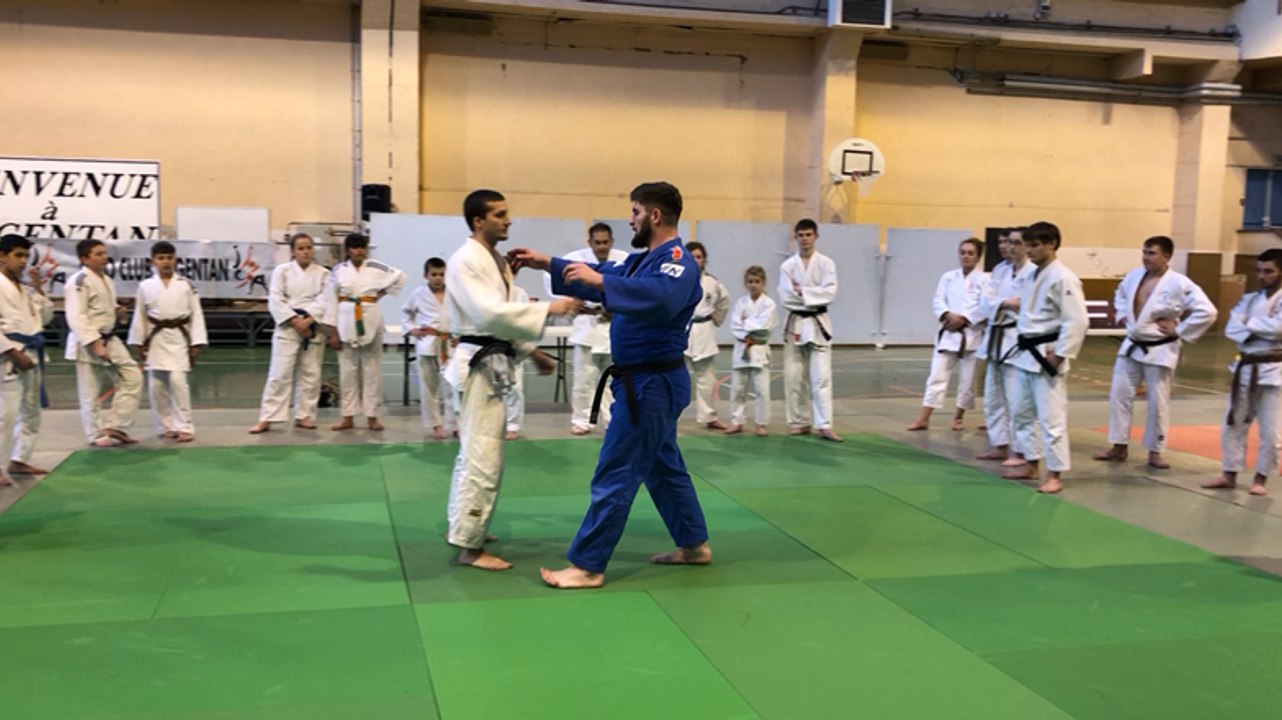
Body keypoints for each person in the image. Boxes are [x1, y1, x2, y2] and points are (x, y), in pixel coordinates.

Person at [510, 181, 711, 590]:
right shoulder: (645, 261)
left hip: (652, 384)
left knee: (616, 472)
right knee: (664, 469)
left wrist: (603, 285)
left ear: (654, 216)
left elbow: (659, 297)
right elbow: (604, 274)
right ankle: (694, 545)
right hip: (644, 382)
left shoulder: (677, 262)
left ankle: (588, 565)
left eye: (636, 211)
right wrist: (544, 262)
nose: (630, 218)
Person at [444, 189, 576, 571]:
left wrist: (532, 352)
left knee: (476, 451)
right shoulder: (465, 260)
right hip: (479, 365)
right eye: (500, 215)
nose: (508, 220)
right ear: (478, 221)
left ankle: (466, 528)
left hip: (492, 361)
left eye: (507, 213)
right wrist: (551, 308)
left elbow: (502, 311)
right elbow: (488, 315)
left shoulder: (492, 260)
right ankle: (470, 546)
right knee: (482, 454)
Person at [1093, 236, 1216, 469]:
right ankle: (1118, 446)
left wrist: (1180, 329)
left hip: (1160, 349)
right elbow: (1120, 294)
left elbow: (1208, 311)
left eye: (1152, 253)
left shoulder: (1180, 283)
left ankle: (1155, 450)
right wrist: (1122, 315)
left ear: (1167, 256)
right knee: (1119, 396)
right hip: (1132, 344)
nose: (1146, 257)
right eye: (1144, 252)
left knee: (1158, 403)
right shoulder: (1134, 277)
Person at [1001, 221, 1089, 494]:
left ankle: (1055, 475)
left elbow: (1078, 320)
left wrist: (1061, 354)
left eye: (1035, 245)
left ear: (1052, 243)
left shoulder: (1063, 277)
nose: (1030, 250)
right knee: (1021, 413)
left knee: (1051, 419)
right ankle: (1030, 464)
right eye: (1028, 245)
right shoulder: (1032, 275)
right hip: (1025, 354)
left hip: (1046, 356)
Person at [1203, 248, 1282, 497]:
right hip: (1246, 366)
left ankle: (1261, 477)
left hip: (1275, 370)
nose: (1262, 276)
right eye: (1259, 271)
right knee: (1233, 422)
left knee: (1270, 430)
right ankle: (1229, 473)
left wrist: (1248, 324)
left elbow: (1279, 328)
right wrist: (1257, 328)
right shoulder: (1249, 299)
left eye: (1268, 271)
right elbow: (1231, 328)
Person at [546, 223, 629, 436]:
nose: (601, 247)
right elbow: (552, 278)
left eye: (605, 242)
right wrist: (570, 300)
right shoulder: (576, 258)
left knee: (612, 378)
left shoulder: (623, 259)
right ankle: (581, 420)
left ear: (611, 241)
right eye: (597, 242)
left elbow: (629, 289)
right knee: (584, 378)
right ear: (590, 242)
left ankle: (611, 419)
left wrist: (617, 307)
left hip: (613, 326)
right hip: (586, 325)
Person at [64, 239, 144, 448]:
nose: (104, 257)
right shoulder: (79, 281)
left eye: (104, 253)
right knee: (90, 390)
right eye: (98, 254)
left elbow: (102, 308)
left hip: (110, 337)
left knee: (133, 376)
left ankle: (116, 425)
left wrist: (118, 311)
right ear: (84, 258)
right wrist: (94, 343)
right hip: (88, 341)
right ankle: (95, 433)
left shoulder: (107, 280)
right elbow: (76, 317)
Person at [127, 241, 209, 443]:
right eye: (161, 258)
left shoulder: (186, 285)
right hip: (155, 338)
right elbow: (140, 315)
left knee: (178, 382)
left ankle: (185, 426)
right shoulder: (145, 286)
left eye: (169, 258)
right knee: (157, 385)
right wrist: (139, 341)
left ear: (175, 260)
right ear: (153, 261)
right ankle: (165, 425)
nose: (165, 262)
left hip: (180, 337)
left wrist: (196, 342)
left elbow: (196, 314)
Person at [249, 233, 330, 434]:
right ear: (293, 251)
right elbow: (275, 298)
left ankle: (305, 415)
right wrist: (295, 321)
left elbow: (326, 299)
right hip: (288, 326)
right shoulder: (282, 271)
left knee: (311, 374)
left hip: (312, 328)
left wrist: (309, 319)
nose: (305, 251)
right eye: (301, 248)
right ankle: (267, 417)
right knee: (279, 374)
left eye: (309, 247)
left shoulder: (323, 274)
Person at [324, 233, 406, 432]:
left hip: (370, 316)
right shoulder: (338, 270)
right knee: (347, 372)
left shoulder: (375, 267)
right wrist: (332, 332)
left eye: (362, 247)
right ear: (348, 250)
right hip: (345, 319)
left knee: (372, 370)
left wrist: (379, 294)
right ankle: (347, 416)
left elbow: (400, 277)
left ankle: (372, 416)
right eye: (355, 247)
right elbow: (331, 300)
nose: (359, 250)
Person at [908, 238, 989, 432]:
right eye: (963, 252)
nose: (966, 256)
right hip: (948, 333)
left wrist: (966, 318)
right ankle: (924, 418)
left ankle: (958, 417)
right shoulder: (948, 277)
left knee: (967, 382)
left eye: (970, 253)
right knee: (936, 377)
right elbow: (938, 300)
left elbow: (986, 306)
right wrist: (948, 315)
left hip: (972, 334)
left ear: (978, 256)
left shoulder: (985, 280)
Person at [976, 228, 1039, 463]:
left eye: (1016, 243)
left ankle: (1021, 450)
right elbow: (985, 302)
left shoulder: (1034, 273)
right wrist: (1005, 303)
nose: (1010, 247)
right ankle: (999, 445)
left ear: (1027, 246)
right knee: (993, 398)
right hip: (995, 339)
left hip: (1017, 341)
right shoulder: (1000, 270)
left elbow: (1025, 306)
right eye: (1007, 242)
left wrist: (1000, 304)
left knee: (1018, 400)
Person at [778, 219, 841, 442]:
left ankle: (824, 424)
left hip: (818, 324)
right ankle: (799, 421)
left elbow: (830, 293)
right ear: (795, 237)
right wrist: (813, 294)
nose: (805, 239)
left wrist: (802, 291)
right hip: (795, 323)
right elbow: (786, 297)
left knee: (821, 377)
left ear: (816, 236)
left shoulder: (826, 264)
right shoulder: (787, 267)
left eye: (808, 235)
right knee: (795, 377)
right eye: (801, 235)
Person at [0, 234, 52, 483]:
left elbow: (46, 318)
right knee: (6, 414)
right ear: (2, 256)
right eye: (18, 255)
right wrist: (12, 351)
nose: (23, 261)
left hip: (31, 351)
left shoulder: (26, 288)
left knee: (31, 411)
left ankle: (19, 459)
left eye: (26, 256)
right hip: (9, 356)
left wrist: (38, 287)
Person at [402, 257, 455, 440]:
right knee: (429, 387)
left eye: (441, 274)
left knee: (453, 385)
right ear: (426, 275)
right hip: (427, 342)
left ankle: (455, 424)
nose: (438, 278)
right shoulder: (418, 293)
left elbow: (464, 315)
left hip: (450, 342)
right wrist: (412, 329)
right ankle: (436, 424)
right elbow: (406, 314)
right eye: (434, 274)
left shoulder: (454, 292)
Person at [725, 265, 777, 436]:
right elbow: (734, 326)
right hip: (742, 348)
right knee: (738, 388)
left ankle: (761, 423)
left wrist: (746, 323)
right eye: (750, 282)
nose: (753, 285)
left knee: (762, 389)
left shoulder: (769, 304)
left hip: (759, 349)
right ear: (745, 283)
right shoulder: (741, 303)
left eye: (757, 281)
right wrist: (751, 325)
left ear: (763, 283)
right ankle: (736, 421)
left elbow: (764, 326)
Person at [684, 241, 730, 430]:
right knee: (677, 376)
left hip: (704, 329)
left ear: (704, 260)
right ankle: (672, 416)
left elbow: (724, 301)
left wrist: (716, 318)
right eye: (692, 256)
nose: (696, 260)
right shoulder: (677, 280)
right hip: (682, 330)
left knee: (706, 377)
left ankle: (709, 416)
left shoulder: (712, 282)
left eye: (699, 257)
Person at [502, 283, 532, 441]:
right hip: (489, 346)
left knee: (515, 388)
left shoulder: (520, 293)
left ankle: (512, 425)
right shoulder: (486, 290)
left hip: (514, 345)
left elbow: (525, 319)